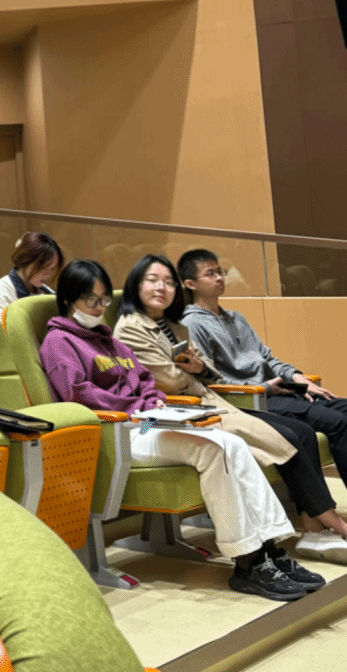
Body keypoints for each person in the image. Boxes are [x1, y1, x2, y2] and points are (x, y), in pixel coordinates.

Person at [41, 260, 322, 600]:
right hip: (116, 431)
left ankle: (271, 549)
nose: (100, 307)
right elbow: (76, 394)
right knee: (212, 449)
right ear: (68, 299)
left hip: (148, 421)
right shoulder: (59, 342)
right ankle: (248, 561)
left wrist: (153, 401)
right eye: (91, 300)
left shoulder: (108, 340)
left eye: (104, 299)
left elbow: (145, 379)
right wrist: (136, 406)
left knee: (231, 442)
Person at [113, 254, 347, 563]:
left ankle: (313, 528)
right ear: (136, 285)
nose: (161, 288)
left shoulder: (175, 326)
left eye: (168, 282)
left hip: (210, 401)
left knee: (301, 432)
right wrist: (197, 370)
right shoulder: (131, 328)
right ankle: (333, 526)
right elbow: (170, 380)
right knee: (288, 437)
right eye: (152, 280)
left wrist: (199, 369)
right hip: (173, 413)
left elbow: (208, 370)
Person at [180, 248, 347, 542]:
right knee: (337, 422)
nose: (219, 278)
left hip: (279, 388)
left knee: (343, 407)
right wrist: (265, 387)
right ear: (190, 283)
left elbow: (268, 358)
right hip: (253, 398)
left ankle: (313, 517)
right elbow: (210, 378)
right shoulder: (191, 323)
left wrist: (296, 376)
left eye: (220, 272)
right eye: (210, 274)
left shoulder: (236, 318)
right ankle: (318, 518)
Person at [0, 231, 63, 317]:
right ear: (26, 260)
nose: (48, 274)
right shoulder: (0, 293)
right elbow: (1, 325)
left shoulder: (46, 292)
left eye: (52, 269)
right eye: (43, 267)